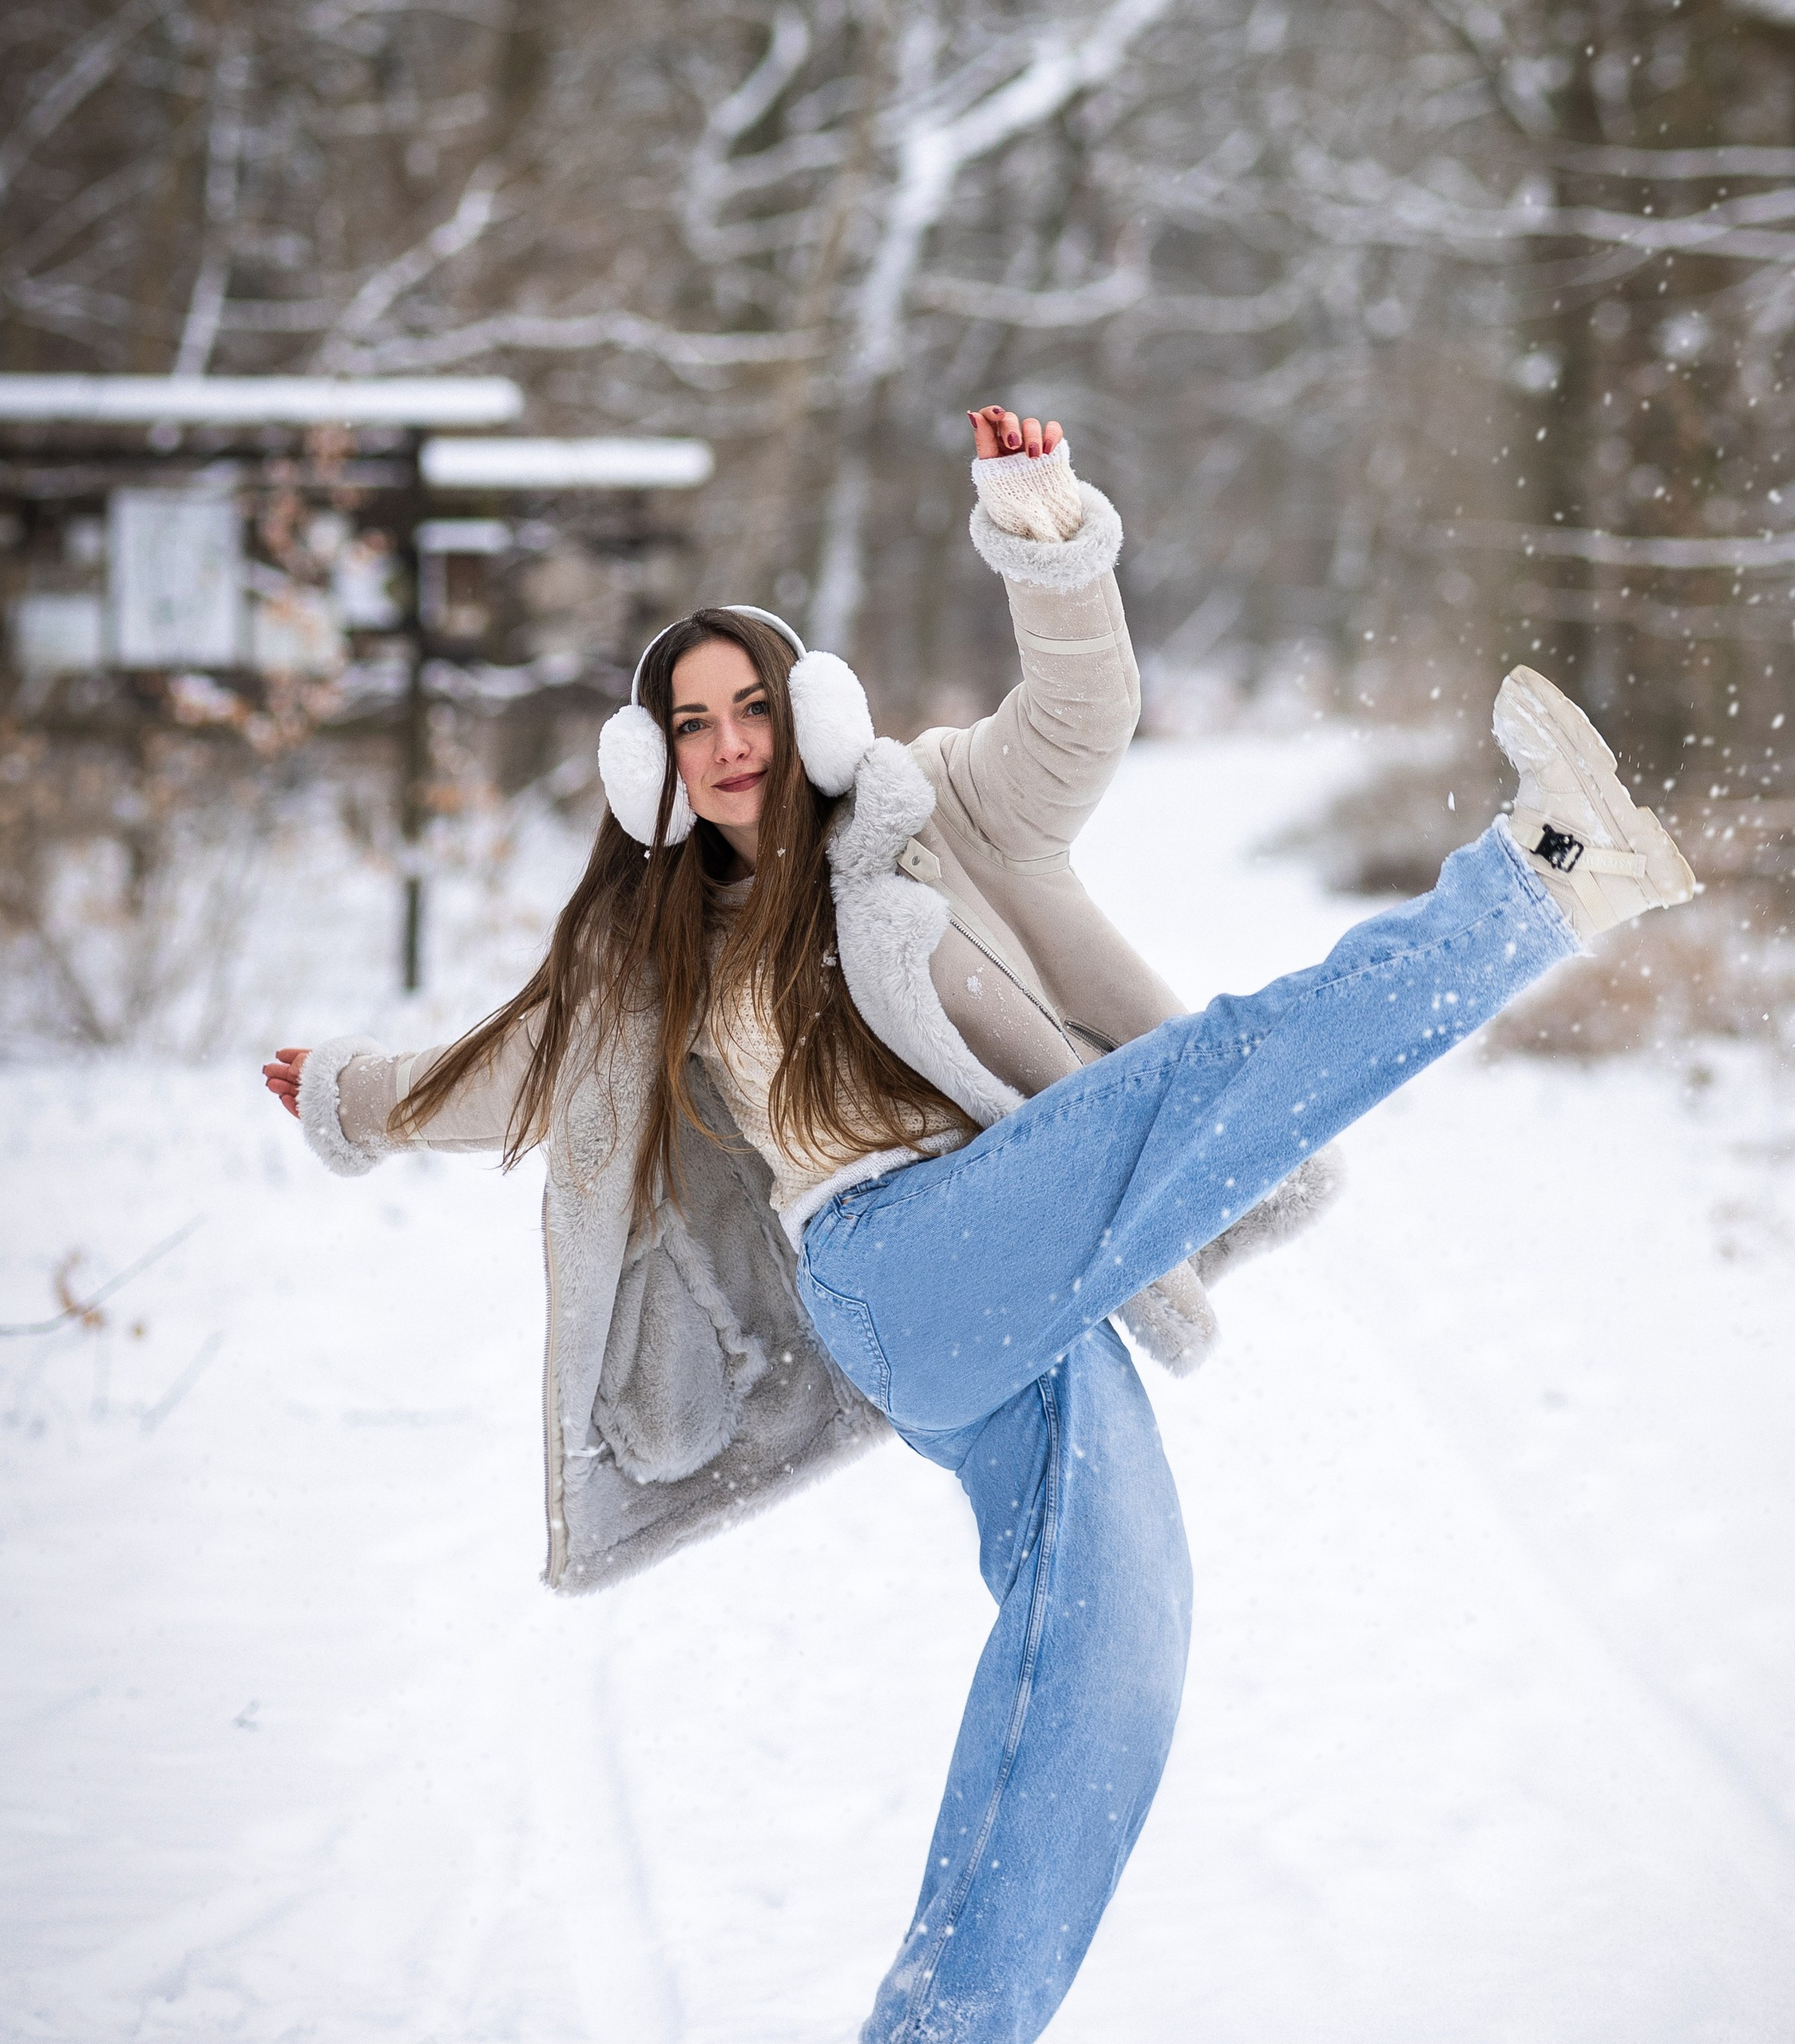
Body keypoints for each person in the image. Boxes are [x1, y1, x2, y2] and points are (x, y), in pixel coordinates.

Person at [262, 405, 1694, 2044]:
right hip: (888, 1268)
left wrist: (1044, 532)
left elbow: (1083, 713)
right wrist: (354, 1096)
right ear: (650, 765)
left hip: (1022, 1284)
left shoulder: (938, 809)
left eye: (752, 703)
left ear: (809, 708)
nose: (728, 741)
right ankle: (1544, 874)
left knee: (1109, 1653)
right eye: (689, 722)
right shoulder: (657, 949)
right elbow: (518, 1072)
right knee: (1212, 1075)